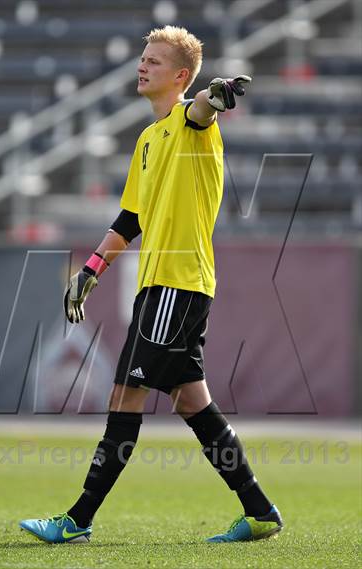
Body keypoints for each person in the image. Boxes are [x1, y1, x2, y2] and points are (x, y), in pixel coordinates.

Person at [20, 25, 283, 544]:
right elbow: (129, 219)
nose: (143, 67)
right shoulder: (146, 139)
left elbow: (204, 107)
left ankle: (77, 520)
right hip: (160, 286)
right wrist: (91, 271)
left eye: (154, 62)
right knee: (192, 403)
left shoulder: (192, 123)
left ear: (180, 76)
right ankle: (260, 511)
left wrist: (218, 94)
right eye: (142, 59)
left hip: (176, 287)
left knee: (124, 396)